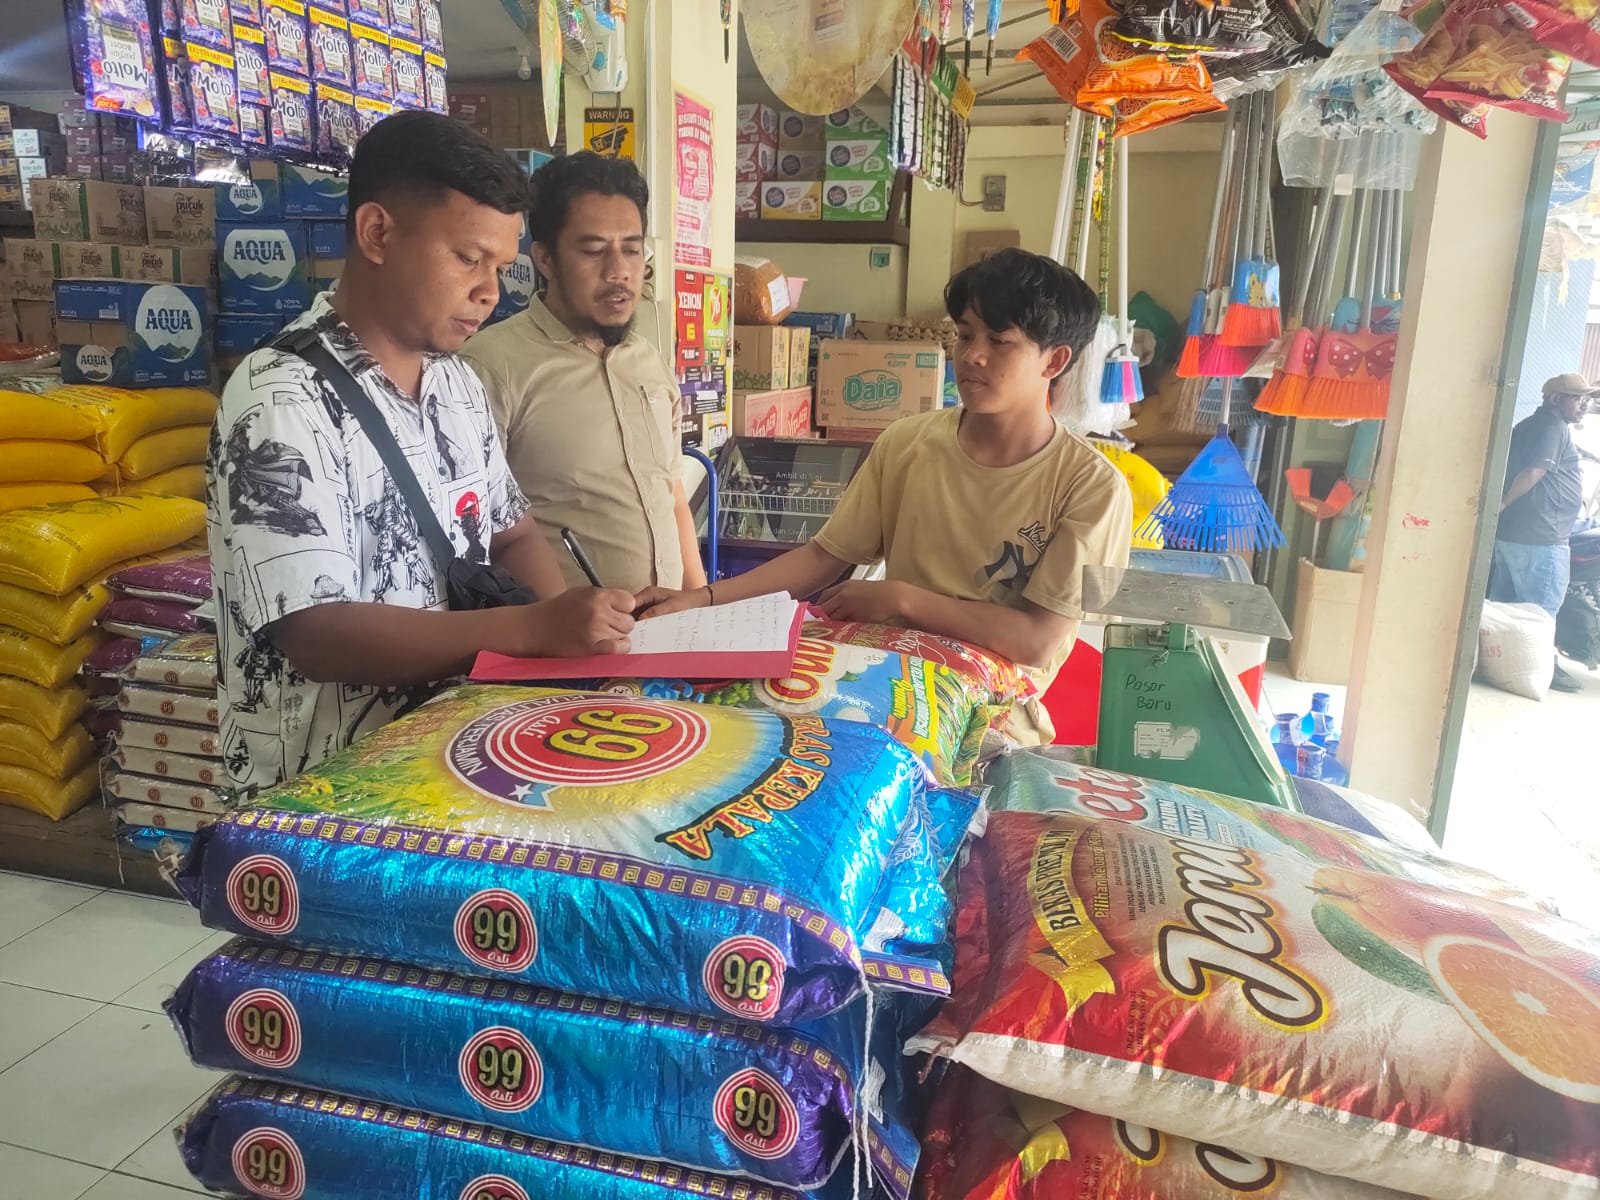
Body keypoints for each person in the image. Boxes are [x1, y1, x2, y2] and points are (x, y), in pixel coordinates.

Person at [208, 112, 637, 790]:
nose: (489, 292)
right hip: (328, 800)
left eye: (501, 267)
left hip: (451, 763)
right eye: (467, 258)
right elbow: (315, 633)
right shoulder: (280, 399)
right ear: (377, 233)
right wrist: (530, 629)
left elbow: (514, 534)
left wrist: (566, 653)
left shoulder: (456, 384)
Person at [637, 248, 1134, 743]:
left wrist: (901, 599)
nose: (972, 356)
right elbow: (822, 558)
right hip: (881, 667)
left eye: (1000, 342)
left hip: (988, 715)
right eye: (965, 335)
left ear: (1055, 360)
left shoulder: (1091, 488)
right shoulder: (908, 442)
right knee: (723, 721)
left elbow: (1037, 641)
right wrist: (702, 600)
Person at [461, 152, 705, 594]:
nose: (619, 272)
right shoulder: (490, 368)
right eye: (593, 251)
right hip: (557, 633)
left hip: (668, 629)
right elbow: (478, 534)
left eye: (632, 249)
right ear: (545, 259)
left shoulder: (649, 362)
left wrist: (701, 606)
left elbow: (672, 498)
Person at [1492, 372, 1594, 693]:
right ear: (1554, 398)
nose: (1584, 404)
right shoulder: (1553, 426)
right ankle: (1542, 667)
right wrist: (1502, 503)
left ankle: (1503, 668)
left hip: (1514, 536)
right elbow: (1534, 472)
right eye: (1576, 398)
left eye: (1586, 399)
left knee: (1505, 611)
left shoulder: (1528, 425)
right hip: (1541, 539)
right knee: (1540, 612)